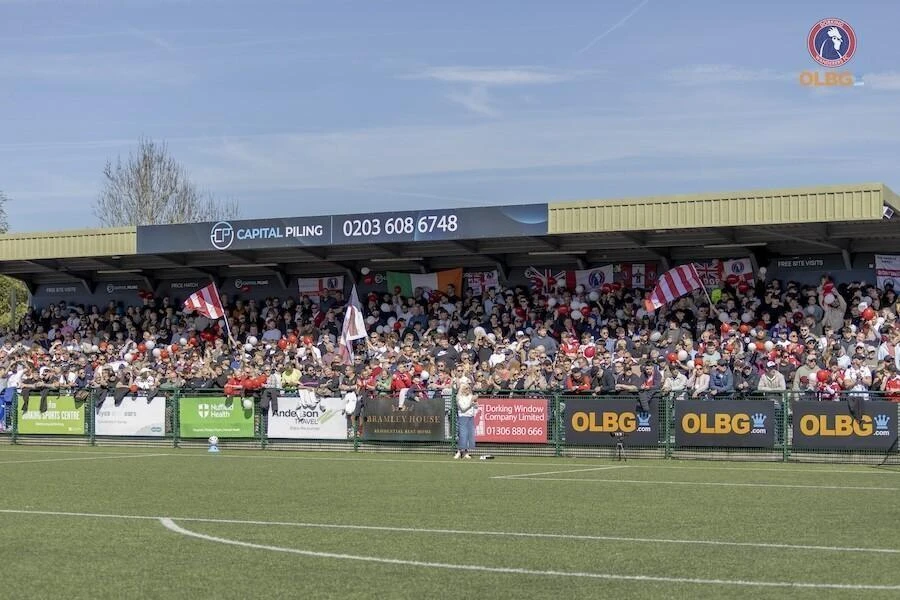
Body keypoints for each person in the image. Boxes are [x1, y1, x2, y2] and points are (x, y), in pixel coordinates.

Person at [454, 377, 477, 459]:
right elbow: (463, 409)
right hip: (463, 417)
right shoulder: (459, 397)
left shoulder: (471, 396)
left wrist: (475, 404)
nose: (468, 389)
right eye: (466, 388)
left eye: (468, 388)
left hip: (470, 417)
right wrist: (471, 404)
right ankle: (459, 451)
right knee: (462, 435)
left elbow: (476, 407)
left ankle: (465, 452)